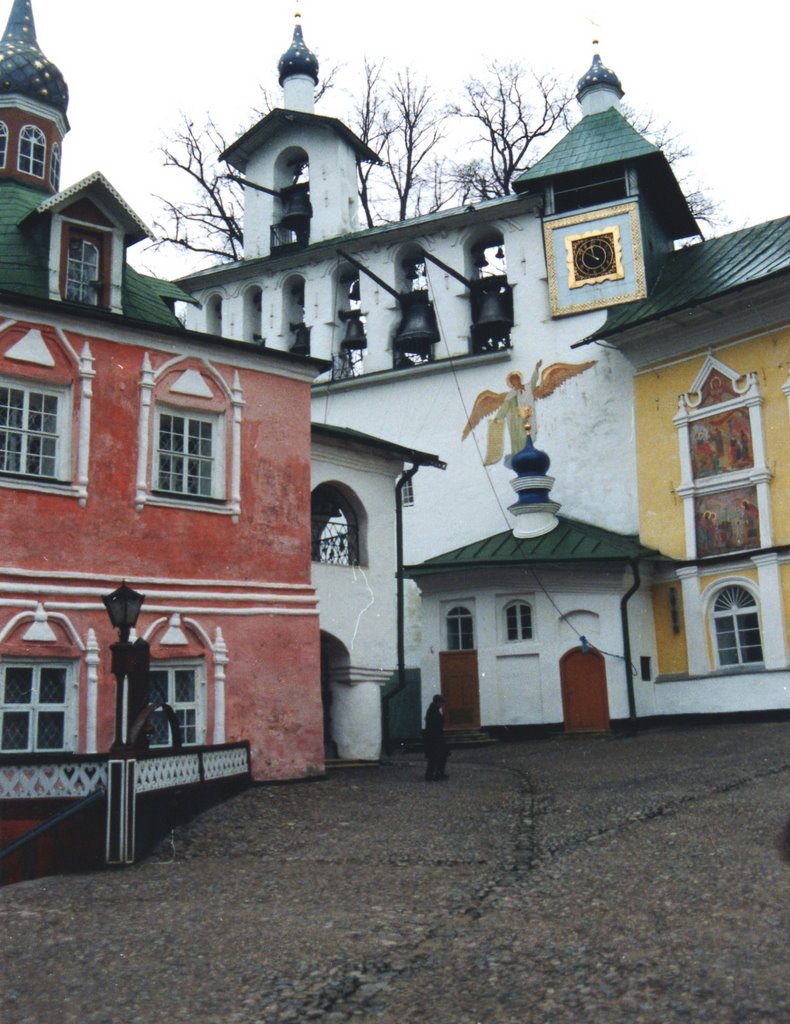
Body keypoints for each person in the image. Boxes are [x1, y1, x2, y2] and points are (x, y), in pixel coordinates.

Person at [424, 694, 449, 781]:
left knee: (437, 757)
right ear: (438, 702)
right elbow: (437, 724)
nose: (442, 705)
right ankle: (433, 775)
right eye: (441, 703)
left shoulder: (433, 710)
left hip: (434, 738)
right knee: (435, 757)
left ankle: (436, 774)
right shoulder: (434, 711)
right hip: (435, 738)